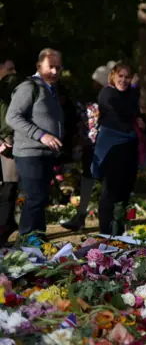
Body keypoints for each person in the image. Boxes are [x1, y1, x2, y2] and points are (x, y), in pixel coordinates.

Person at [6, 48, 65, 245]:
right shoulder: (29, 86)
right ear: (39, 66)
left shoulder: (50, 89)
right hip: (29, 152)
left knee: (41, 197)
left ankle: (38, 235)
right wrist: (42, 135)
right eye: (51, 67)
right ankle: (27, 237)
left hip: (45, 153)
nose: (55, 72)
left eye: (58, 67)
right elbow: (12, 116)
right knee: (35, 196)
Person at [61, 62, 116, 231]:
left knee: (100, 183)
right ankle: (82, 216)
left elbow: (88, 128)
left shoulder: (102, 102)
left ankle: (102, 218)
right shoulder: (99, 102)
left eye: (95, 81)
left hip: (98, 148)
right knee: (89, 181)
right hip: (93, 149)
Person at [92, 62, 142, 235]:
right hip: (111, 148)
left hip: (129, 147)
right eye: (120, 76)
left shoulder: (131, 94)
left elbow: (136, 112)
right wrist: (135, 87)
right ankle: (106, 233)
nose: (123, 80)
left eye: (127, 77)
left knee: (125, 192)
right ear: (113, 76)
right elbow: (125, 111)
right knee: (110, 192)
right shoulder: (107, 93)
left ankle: (119, 230)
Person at [0, 73, 21, 246]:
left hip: (9, 141)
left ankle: (6, 225)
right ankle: (5, 226)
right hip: (6, 141)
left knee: (10, 186)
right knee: (9, 186)